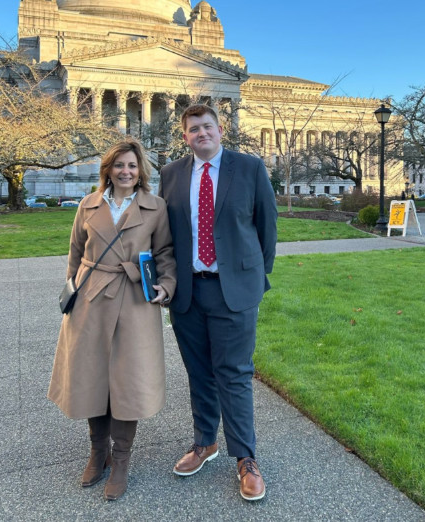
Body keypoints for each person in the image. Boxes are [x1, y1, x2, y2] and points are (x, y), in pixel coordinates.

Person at [159, 104, 277, 501]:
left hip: (235, 291)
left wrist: (254, 277)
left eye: (207, 126)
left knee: (235, 373)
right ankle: (204, 442)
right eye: (193, 129)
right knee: (199, 372)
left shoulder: (249, 168)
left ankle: (245, 457)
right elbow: (166, 234)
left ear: (221, 129)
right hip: (189, 292)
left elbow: (267, 228)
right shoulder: (171, 174)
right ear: (185, 136)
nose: (201, 133)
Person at [48, 137, 177, 501]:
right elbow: (75, 253)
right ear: (108, 169)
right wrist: (72, 289)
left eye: (132, 166)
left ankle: (121, 460)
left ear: (140, 172)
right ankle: (98, 452)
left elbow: (166, 252)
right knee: (92, 378)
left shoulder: (156, 207)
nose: (126, 171)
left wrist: (166, 285)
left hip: (135, 301)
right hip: (90, 302)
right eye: (119, 165)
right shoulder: (87, 205)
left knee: (127, 382)